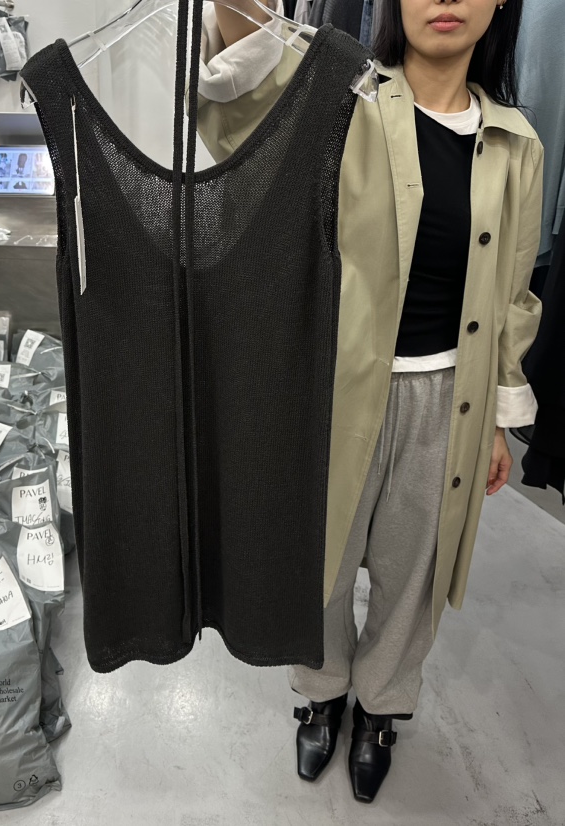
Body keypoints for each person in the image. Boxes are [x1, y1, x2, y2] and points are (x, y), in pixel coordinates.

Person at [202, 0, 542, 803]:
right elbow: (239, 117)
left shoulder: (515, 143)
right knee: (317, 561)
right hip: (335, 390)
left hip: (450, 402)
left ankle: (381, 707)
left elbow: (513, 296)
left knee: (411, 574)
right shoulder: (339, 99)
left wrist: (499, 422)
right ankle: (321, 692)